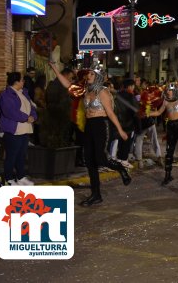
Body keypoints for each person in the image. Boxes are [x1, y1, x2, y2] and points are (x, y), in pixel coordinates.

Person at [48, 61, 131, 206]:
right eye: (88, 73)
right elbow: (68, 85)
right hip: (89, 126)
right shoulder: (85, 90)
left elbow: (111, 114)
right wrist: (55, 69)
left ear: (98, 76)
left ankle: (121, 168)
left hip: (102, 125)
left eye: (92, 74)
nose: (88, 76)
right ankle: (96, 195)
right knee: (90, 162)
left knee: (101, 158)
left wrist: (120, 130)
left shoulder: (103, 92)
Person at [0, 72, 38, 186]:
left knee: (21, 155)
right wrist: (26, 118)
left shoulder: (24, 92)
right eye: (22, 80)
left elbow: (31, 107)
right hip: (13, 130)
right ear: (16, 81)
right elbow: (10, 112)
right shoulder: (6, 95)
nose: (24, 81)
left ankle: (21, 177)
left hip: (25, 129)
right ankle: (9, 178)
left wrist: (33, 117)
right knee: (11, 155)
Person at [149, 83, 178, 185]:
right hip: (171, 126)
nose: (168, 92)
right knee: (169, 151)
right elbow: (159, 113)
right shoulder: (165, 102)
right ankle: (167, 176)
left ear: (175, 91)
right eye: (167, 90)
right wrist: (147, 113)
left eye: (170, 90)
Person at [114, 79, 140, 168]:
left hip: (118, 122)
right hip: (128, 123)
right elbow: (135, 111)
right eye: (133, 86)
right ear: (129, 86)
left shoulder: (117, 95)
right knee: (127, 142)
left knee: (120, 141)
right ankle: (124, 160)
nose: (133, 88)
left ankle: (120, 158)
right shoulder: (131, 97)